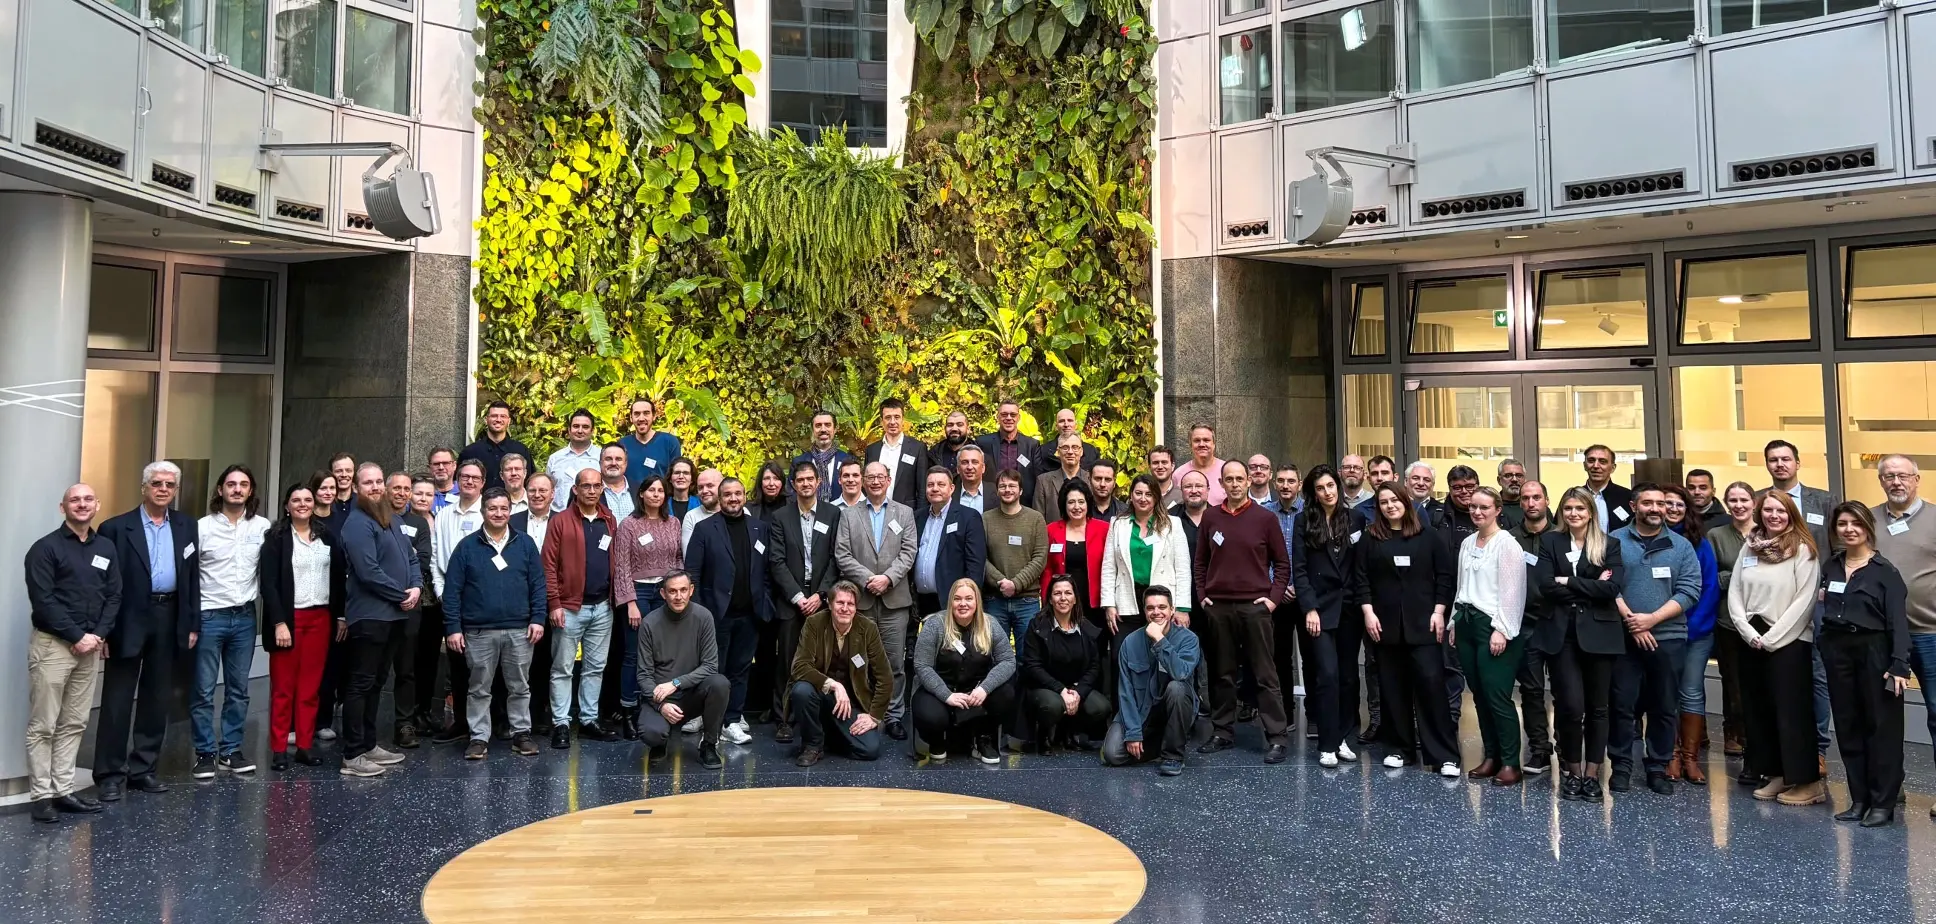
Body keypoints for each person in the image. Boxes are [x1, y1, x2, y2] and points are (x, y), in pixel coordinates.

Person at [93, 462, 200, 801]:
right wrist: (103, 630)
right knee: (117, 700)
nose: (163, 489)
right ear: (144, 487)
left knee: (157, 697)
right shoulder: (114, 528)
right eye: (157, 483)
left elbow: (191, 578)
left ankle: (143, 769)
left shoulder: (186, 526)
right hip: (127, 618)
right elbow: (103, 585)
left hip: (169, 616)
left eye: (170, 484)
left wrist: (191, 623)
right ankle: (110, 774)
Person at [24, 484, 117, 823]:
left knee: (75, 722)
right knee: (44, 724)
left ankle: (64, 790)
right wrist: (77, 636)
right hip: (54, 646)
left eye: (88, 499)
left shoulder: (105, 546)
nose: (82, 504)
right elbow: (43, 600)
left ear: (97, 505)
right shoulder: (45, 549)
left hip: (90, 647)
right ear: (62, 507)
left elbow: (114, 595)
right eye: (74, 500)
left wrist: (99, 635)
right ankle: (42, 796)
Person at [1728, 490, 1825, 806]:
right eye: (1768, 509)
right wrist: (1745, 630)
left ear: (1791, 513)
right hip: (1752, 637)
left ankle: (1807, 781)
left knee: (1791, 713)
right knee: (1759, 711)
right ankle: (1776, 774)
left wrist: (1772, 638)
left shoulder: (1803, 549)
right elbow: (1735, 592)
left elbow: (1805, 600)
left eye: (1780, 510)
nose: (1773, 515)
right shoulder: (1750, 546)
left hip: (1789, 639)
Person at [1354, 484, 1457, 777]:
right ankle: (1399, 749)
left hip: (1424, 624)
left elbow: (1445, 578)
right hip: (1385, 626)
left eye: (1394, 500)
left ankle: (1444, 755)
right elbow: (1361, 578)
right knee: (1392, 689)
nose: (1389, 506)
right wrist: (1368, 612)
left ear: (1406, 502)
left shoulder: (1429, 537)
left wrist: (1439, 611)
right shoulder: (1370, 539)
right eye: (1383, 502)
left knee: (1431, 688)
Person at [1533, 486, 1628, 803]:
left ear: (1591, 513)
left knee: (1598, 708)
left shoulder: (1610, 544)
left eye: (1580, 509)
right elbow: (1545, 586)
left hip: (1600, 635)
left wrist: (1569, 581)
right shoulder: (1550, 541)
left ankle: (1592, 775)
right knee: (1571, 706)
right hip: (1562, 635)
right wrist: (1589, 586)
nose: (1574, 514)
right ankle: (1572, 772)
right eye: (1569, 508)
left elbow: (1612, 587)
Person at [1194, 459, 1292, 763]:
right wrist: (1202, 596)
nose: (1235, 484)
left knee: (1265, 673)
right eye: (1229, 479)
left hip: (1255, 607)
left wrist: (1273, 598)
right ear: (1221, 484)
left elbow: (1283, 564)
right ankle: (1222, 731)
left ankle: (1276, 737)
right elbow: (1200, 562)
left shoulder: (1265, 518)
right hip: (1219, 607)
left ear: (1249, 481)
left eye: (1240, 479)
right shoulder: (1211, 518)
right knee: (1222, 673)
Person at [1607, 483, 1702, 796]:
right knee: (1622, 705)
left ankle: (1657, 767)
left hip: (1669, 637)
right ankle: (1620, 766)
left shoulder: (1681, 546)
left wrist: (1651, 620)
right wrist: (1634, 624)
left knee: (1663, 706)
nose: (1656, 509)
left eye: (1661, 504)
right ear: (1634, 506)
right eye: (1647, 503)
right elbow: (1607, 585)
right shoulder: (1614, 541)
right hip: (1623, 638)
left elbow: (1689, 590)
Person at [1820, 502, 1911, 826]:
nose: (1849, 529)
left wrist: (1900, 663)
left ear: (1868, 527)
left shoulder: (1885, 572)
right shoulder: (1831, 566)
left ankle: (1883, 803)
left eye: (1855, 523)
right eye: (1842, 523)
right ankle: (1859, 799)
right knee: (1848, 726)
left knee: (1882, 728)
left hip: (1876, 652)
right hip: (1839, 652)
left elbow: (1898, 622)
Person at [441, 488, 546, 760]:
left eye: (503, 508)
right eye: (492, 509)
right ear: (483, 511)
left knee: (520, 686)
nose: (498, 513)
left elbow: (538, 585)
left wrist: (538, 619)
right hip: (479, 631)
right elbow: (452, 592)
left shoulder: (525, 544)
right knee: (478, 687)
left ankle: (521, 733)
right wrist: (453, 628)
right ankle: (478, 738)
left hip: (520, 630)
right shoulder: (466, 547)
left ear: (510, 511)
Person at [336, 463, 421, 777]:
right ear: (357, 488)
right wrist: (402, 593)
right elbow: (368, 571)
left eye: (377, 482)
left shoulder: (391, 520)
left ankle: (370, 745)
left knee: (376, 683)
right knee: (359, 684)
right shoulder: (357, 524)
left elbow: (411, 558)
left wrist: (416, 586)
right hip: (370, 616)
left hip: (395, 616)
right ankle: (353, 753)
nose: (374, 487)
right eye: (367, 483)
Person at [190, 464, 272, 779]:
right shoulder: (202, 528)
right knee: (204, 690)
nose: (237, 489)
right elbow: (190, 576)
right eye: (231, 484)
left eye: (243, 484)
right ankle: (204, 753)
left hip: (244, 617)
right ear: (220, 490)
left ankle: (230, 750)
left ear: (250, 491)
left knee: (239, 689)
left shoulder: (263, 527)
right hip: (209, 616)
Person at [258, 482, 345, 772]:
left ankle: (305, 747)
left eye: (308, 499)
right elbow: (268, 586)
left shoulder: (327, 537)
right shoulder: (275, 539)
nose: (303, 504)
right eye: (297, 500)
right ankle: (280, 749)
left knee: (310, 689)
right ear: (287, 505)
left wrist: (340, 616)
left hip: (320, 619)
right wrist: (279, 623)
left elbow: (339, 579)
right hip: (288, 620)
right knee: (284, 689)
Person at [1762, 438, 1836, 768]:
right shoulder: (1759, 501)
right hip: (1775, 604)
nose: (1780, 464)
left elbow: (1837, 551)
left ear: (1797, 462)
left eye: (1785, 459)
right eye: (1773, 460)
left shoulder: (1824, 501)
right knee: (1782, 674)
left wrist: (1832, 591)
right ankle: (1785, 748)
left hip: (1818, 602)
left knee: (1818, 675)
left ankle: (1818, 749)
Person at [1870, 455, 1936, 819]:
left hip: (1930, 632)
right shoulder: (1870, 520)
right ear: (1881, 481)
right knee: (1884, 717)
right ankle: (1888, 788)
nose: (1896, 482)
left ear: (1917, 479)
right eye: (1889, 476)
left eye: (1903, 476)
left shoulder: (1935, 517)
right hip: (1882, 636)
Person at [685, 476, 773, 746]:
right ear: (719, 499)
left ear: (744, 496)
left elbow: (767, 570)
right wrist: (700, 612)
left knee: (741, 670)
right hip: (716, 616)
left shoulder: (759, 528)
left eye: (737, 494)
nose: (733, 499)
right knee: (715, 672)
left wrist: (764, 599)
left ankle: (733, 721)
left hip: (750, 615)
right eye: (727, 495)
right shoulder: (704, 529)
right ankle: (712, 721)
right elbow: (693, 575)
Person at [1450, 487, 1529, 786]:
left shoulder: (1507, 544)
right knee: (1479, 696)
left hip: (1494, 627)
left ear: (1498, 510)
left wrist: (1502, 629)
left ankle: (1510, 762)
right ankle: (1491, 756)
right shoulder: (1468, 542)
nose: (1477, 512)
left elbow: (1513, 592)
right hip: (1467, 622)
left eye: (1484, 507)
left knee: (1497, 696)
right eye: (1473, 507)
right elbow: (1462, 586)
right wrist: (1454, 623)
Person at [834, 461, 918, 740]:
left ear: (889, 479)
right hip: (863, 600)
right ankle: (865, 712)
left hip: (895, 600)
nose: (875, 481)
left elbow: (909, 552)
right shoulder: (849, 515)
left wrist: (888, 579)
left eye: (880, 476)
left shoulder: (904, 513)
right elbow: (842, 554)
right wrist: (870, 578)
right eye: (869, 477)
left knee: (894, 663)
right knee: (861, 660)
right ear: (863, 481)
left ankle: (893, 716)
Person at [1290, 465, 1365, 767]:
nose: (1327, 492)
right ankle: (1327, 743)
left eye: (1331, 485)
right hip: (1319, 610)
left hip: (1349, 609)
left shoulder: (1356, 518)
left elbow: (1360, 566)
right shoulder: (1303, 521)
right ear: (1313, 492)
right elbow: (1301, 569)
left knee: (1348, 677)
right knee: (1328, 675)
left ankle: (1344, 737)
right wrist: (1309, 607)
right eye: (1320, 488)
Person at [540, 468, 620, 748]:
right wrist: (554, 603)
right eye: (586, 486)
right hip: (569, 608)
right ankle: (561, 723)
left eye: (596, 486)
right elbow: (548, 566)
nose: (591, 490)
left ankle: (588, 720)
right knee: (562, 668)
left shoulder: (609, 520)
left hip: (602, 607)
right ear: (575, 489)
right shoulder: (560, 521)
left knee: (595, 668)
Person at [763, 462, 842, 743]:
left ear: (819, 482)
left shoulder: (833, 514)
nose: (806, 484)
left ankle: (818, 714)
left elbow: (836, 558)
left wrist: (820, 596)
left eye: (810, 479)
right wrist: (798, 597)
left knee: (822, 658)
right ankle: (783, 719)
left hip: (822, 597)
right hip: (791, 599)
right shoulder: (781, 517)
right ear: (793, 485)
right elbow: (776, 561)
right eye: (800, 480)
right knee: (787, 660)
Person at [1100, 475, 1193, 696]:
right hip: (1126, 602)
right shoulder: (1118, 524)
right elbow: (1108, 566)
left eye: (1149, 494)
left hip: (1160, 605)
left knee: (1159, 659)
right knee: (1121, 657)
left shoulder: (1173, 524)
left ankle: (1158, 713)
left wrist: (1181, 608)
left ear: (1156, 497)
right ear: (1131, 496)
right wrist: (1109, 605)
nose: (1143, 498)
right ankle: (1122, 714)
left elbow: (1182, 568)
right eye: (1138, 493)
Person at [911, 578, 1018, 763]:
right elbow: (922, 665)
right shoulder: (935, 625)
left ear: (977, 601)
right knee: (931, 715)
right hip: (940, 691)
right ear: (950, 601)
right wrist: (946, 695)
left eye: (969, 598)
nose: (963, 604)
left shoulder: (990, 624)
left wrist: (985, 688)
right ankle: (937, 739)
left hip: (977, 692)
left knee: (1006, 693)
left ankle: (983, 738)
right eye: (957, 598)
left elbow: (1008, 660)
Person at [789, 580, 892, 766]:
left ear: (856, 607)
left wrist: (874, 716)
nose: (845, 608)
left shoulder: (868, 628)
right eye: (840, 603)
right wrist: (834, 685)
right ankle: (812, 745)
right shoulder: (814, 623)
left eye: (850, 604)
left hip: (852, 703)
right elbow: (799, 666)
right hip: (819, 696)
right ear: (829, 604)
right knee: (800, 690)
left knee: (869, 750)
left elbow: (885, 677)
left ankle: (829, 737)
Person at [613, 475, 684, 740]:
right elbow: (621, 566)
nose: (656, 494)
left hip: (666, 593)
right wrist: (630, 602)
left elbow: (678, 559)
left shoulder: (673, 523)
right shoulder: (629, 525)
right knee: (634, 654)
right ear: (641, 494)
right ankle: (629, 713)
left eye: (660, 490)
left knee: (663, 653)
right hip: (639, 592)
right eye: (650, 490)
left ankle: (659, 707)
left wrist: (677, 592)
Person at [634, 570, 730, 769]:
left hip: (692, 694)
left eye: (683, 590)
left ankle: (709, 745)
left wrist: (676, 683)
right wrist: (661, 705)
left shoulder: (703, 617)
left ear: (691, 590)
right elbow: (643, 675)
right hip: (661, 698)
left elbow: (711, 665)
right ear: (663, 594)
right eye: (672, 591)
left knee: (720, 684)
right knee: (651, 734)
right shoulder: (650, 623)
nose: (678, 596)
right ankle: (660, 743)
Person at [1103, 586, 1201, 776]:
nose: (1156, 612)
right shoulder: (1130, 642)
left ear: (1172, 610)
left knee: (1177, 689)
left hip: (1174, 707)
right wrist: (1133, 733)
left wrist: (1159, 640)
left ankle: (1172, 755)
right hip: (1142, 712)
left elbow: (1181, 673)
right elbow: (1125, 691)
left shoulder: (1188, 640)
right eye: (1151, 608)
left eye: (1162, 607)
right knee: (1112, 754)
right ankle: (1162, 742)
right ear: (1144, 611)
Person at [428, 459, 489, 746]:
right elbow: (435, 558)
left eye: (475, 478)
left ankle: (486, 723)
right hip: (451, 601)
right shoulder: (443, 515)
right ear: (457, 478)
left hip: (481, 602)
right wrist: (443, 595)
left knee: (484, 666)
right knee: (457, 666)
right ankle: (462, 722)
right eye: (464, 476)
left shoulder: (487, 514)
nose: (469, 481)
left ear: (483, 483)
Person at [1662, 483, 1719, 784]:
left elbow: (1709, 588)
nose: (1672, 509)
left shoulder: (1700, 543)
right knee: (1665, 692)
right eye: (1667, 503)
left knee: (1692, 691)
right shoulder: (1650, 539)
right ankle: (1669, 755)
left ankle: (1691, 758)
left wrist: (1691, 626)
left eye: (1679, 505)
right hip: (1660, 631)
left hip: (1695, 631)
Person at [1023, 575, 1110, 752]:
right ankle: (1044, 734)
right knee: (1052, 706)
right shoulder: (1037, 626)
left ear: (1075, 598)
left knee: (1101, 707)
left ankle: (1068, 732)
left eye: (1068, 593)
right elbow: (1032, 666)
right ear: (1050, 599)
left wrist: (1078, 692)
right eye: (1057, 593)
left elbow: (1094, 667)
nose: (1063, 598)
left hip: (1075, 687)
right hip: (1045, 688)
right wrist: (1060, 690)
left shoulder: (1086, 628)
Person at [1507, 480, 1556, 775]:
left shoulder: (1563, 536)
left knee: (1565, 690)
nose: (1531, 503)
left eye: (1537, 497)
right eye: (1525, 498)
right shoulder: (1510, 538)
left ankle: (1566, 748)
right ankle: (1539, 748)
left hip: (1559, 622)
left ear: (1546, 500)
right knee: (1531, 690)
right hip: (1524, 623)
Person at [1708, 481, 1757, 759]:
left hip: (1764, 619)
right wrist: (1740, 576)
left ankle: (1758, 732)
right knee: (1733, 680)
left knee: (1759, 680)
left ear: (1754, 503)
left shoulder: (1767, 532)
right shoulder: (1716, 535)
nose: (1738, 506)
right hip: (1728, 620)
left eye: (1744, 500)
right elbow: (1711, 579)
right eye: (1733, 501)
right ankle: (1734, 732)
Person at [982, 468, 1049, 664]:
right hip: (995, 599)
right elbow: (980, 558)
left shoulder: (1035, 519)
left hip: (1027, 601)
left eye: (1012, 486)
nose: (1007, 489)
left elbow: (1039, 557)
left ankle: (1024, 696)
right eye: (1002, 486)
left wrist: (1016, 583)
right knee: (996, 657)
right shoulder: (986, 519)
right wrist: (1001, 582)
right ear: (997, 490)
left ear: (1020, 490)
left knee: (1027, 657)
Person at [510, 473, 556, 734]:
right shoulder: (512, 521)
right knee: (516, 660)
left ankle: (539, 713)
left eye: (543, 490)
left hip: (551, 601)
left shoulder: (562, 522)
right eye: (533, 490)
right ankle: (512, 715)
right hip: (518, 602)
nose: (537, 495)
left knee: (544, 660)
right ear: (526, 492)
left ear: (552, 494)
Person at [913, 467, 988, 618]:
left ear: (952, 488)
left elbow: (975, 563)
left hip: (953, 601)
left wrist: (967, 599)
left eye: (941, 484)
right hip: (921, 601)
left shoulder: (968, 517)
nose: (935, 489)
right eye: (930, 485)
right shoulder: (917, 517)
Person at [1043, 480, 1109, 629]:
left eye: (1081, 502)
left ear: (1088, 503)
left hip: (1095, 604)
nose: (1076, 507)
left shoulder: (1104, 529)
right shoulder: (1051, 530)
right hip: (1063, 603)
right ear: (1064, 505)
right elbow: (1047, 570)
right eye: (1071, 502)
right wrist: (1047, 600)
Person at [865, 398, 931, 507]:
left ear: (903, 419)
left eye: (896, 417)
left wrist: (920, 516)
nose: (892, 422)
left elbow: (922, 488)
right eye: (888, 418)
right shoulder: (872, 450)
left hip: (906, 513)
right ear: (882, 421)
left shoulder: (917, 448)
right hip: (874, 510)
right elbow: (866, 484)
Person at [976, 400, 1043, 501]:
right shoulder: (983, 443)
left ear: (1018, 418)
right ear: (997, 417)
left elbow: (1038, 478)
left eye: (1013, 415)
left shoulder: (1031, 445)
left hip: (1023, 504)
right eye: (1004, 414)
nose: (1008, 418)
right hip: (991, 502)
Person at [462, 400, 534, 491]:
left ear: (509, 421)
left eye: (503, 416)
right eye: (494, 416)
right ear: (486, 420)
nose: (498, 420)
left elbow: (530, 482)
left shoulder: (521, 451)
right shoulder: (470, 452)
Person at [618, 396, 682, 488]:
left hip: (661, 500)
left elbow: (677, 477)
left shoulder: (669, 442)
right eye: (636, 414)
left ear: (654, 416)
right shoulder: (622, 444)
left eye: (646, 413)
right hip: (629, 501)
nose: (641, 418)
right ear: (631, 418)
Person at [545, 409, 602, 512]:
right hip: (558, 518)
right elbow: (548, 491)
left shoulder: (602, 457)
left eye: (585, 427)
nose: (580, 431)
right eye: (576, 426)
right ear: (569, 429)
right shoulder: (555, 458)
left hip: (592, 519)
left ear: (592, 431)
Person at [792, 409, 854, 503]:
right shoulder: (799, 462)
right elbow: (792, 495)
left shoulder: (847, 460)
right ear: (813, 430)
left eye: (828, 425)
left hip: (840, 515)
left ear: (835, 429)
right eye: (818, 425)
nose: (823, 429)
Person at [1032, 433, 1089, 519]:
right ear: (1058, 452)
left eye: (1075, 447)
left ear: (1081, 452)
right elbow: (1038, 519)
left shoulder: (1091, 480)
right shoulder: (1043, 481)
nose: (1070, 452)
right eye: (1065, 448)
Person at [1581, 444, 1632, 532]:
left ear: (1613, 468)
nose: (1596, 466)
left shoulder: (1627, 497)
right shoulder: (1575, 496)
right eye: (1591, 460)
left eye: (1603, 461)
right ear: (1585, 465)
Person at [1034, 407, 1100, 473]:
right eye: (1062, 421)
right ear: (1056, 426)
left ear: (1076, 425)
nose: (1066, 424)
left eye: (1070, 420)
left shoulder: (1091, 451)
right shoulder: (1043, 451)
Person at [1178, 424, 1227, 506]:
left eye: (1206, 440)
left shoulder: (1227, 470)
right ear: (1190, 444)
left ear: (1214, 444)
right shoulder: (1179, 474)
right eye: (1197, 440)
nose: (1201, 444)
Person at [1170, 469, 1210, 563]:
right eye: (1188, 486)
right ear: (1181, 491)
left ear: (1208, 490)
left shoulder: (1220, 518)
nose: (1194, 491)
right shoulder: (1169, 518)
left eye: (1199, 486)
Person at [680, 468, 724, 553]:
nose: (704, 491)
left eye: (710, 486)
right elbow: (690, 556)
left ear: (722, 487)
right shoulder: (692, 517)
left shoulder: (740, 512)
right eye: (700, 487)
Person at [592, 444, 633, 520]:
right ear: (600, 463)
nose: (613, 463)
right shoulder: (586, 489)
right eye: (608, 459)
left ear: (625, 464)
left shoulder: (639, 489)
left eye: (618, 459)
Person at [930, 410, 973, 475]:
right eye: (950, 425)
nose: (954, 429)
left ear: (968, 429)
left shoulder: (979, 455)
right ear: (944, 428)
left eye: (959, 425)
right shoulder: (933, 454)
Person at [953, 444, 991, 514]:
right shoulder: (949, 494)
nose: (970, 467)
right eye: (965, 462)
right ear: (958, 469)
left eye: (975, 462)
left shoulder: (997, 493)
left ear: (983, 468)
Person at [1687, 469, 1724, 534]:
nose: (1696, 492)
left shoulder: (1727, 521)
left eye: (1703, 488)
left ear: (1713, 491)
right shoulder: (1677, 518)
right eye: (1691, 488)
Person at [1496, 459, 1528, 530]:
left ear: (1525, 479)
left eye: (1519, 476)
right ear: (1499, 480)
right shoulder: (1490, 506)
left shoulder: (1534, 506)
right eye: (1508, 475)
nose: (1514, 479)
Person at [309, 472, 342, 536]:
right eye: (323, 488)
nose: (328, 493)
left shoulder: (340, 520)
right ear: (314, 490)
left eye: (332, 488)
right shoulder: (305, 520)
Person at [328, 453, 357, 519]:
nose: (344, 475)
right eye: (338, 471)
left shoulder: (362, 503)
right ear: (331, 473)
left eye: (348, 471)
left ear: (354, 473)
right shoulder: (324, 503)